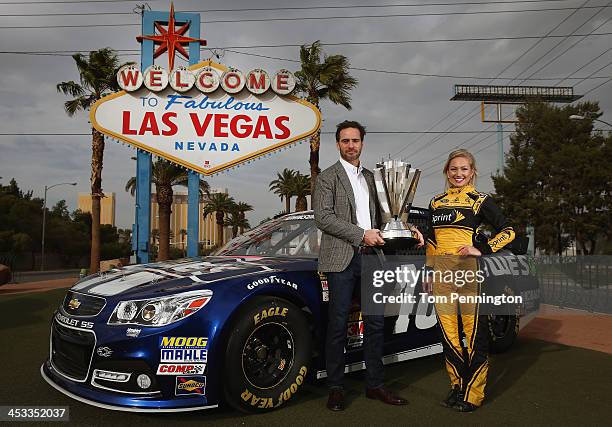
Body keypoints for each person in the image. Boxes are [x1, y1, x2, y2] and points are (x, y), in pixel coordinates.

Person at [313, 120, 424, 411]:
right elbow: (323, 218)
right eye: (345, 140)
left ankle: (375, 385)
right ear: (337, 144)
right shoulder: (327, 177)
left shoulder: (375, 179)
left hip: (373, 259)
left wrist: (409, 228)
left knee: (376, 324)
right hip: (341, 259)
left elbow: (391, 214)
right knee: (337, 325)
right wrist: (362, 234)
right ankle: (336, 388)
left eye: (355, 140)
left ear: (362, 143)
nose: (351, 145)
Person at [423, 148, 515, 412]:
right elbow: (431, 241)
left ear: (472, 171)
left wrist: (482, 249)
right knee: (449, 337)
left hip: (469, 275)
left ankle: (473, 394)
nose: (458, 173)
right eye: (454, 169)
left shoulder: (480, 200)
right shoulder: (436, 202)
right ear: (446, 172)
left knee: (474, 337)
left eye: (464, 169)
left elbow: (508, 231)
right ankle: (457, 387)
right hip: (441, 277)